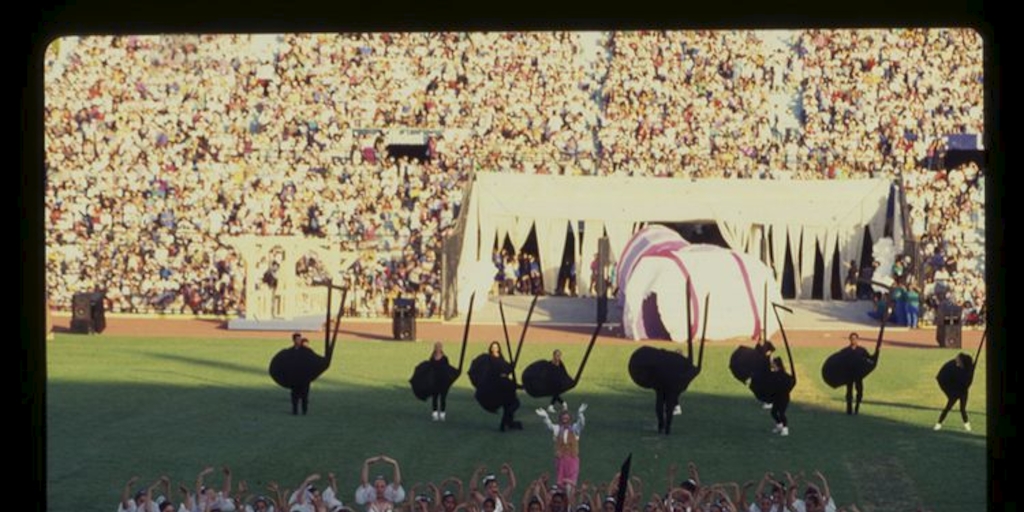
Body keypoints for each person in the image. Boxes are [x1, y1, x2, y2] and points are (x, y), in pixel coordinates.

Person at [535, 403, 588, 496]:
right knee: (560, 484)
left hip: (572, 459)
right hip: (561, 460)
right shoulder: (557, 429)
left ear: (570, 419)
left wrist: (580, 414)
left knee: (571, 485)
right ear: (560, 419)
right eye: (563, 418)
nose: (565, 420)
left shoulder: (575, 429)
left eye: (567, 418)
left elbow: (582, 423)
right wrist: (545, 417)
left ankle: (570, 504)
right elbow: (549, 426)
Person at [934, 353, 976, 432]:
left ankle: (967, 425)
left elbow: (967, 381)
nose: (956, 360)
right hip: (955, 393)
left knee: (962, 409)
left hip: (963, 392)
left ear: (962, 361)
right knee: (947, 408)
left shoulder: (966, 370)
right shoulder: (956, 369)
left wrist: (972, 369)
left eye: (958, 359)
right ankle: (938, 424)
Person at [842, 333, 870, 415]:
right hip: (849, 374)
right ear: (849, 339)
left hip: (858, 374)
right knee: (849, 392)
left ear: (857, 339)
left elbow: (869, 359)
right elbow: (840, 362)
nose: (853, 340)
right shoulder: (845, 351)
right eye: (852, 338)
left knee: (860, 391)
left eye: (855, 338)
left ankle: (857, 408)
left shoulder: (862, 350)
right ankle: (849, 409)